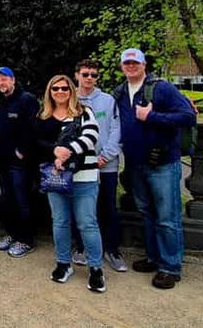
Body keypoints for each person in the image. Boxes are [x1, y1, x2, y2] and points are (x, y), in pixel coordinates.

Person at [114, 48, 196, 289]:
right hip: (135, 163)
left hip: (162, 163)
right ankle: (153, 257)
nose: (131, 66)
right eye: (127, 63)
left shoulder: (161, 88)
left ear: (143, 64)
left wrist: (152, 117)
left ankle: (170, 267)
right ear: (122, 66)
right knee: (147, 213)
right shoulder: (119, 92)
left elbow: (187, 116)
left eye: (135, 62)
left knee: (167, 217)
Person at [35, 75, 106, 293]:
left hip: (83, 177)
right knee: (60, 222)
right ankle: (63, 263)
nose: (60, 92)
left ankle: (96, 268)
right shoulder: (43, 115)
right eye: (55, 88)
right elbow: (36, 141)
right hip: (56, 177)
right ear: (50, 91)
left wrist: (67, 151)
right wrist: (54, 152)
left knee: (87, 223)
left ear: (71, 90)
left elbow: (92, 135)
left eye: (64, 88)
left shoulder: (84, 112)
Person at [71, 59, 125, 272]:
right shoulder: (70, 98)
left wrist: (106, 155)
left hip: (106, 165)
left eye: (94, 75)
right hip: (80, 166)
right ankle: (81, 247)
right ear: (77, 75)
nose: (89, 78)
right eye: (85, 74)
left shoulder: (108, 100)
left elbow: (116, 129)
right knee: (82, 208)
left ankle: (112, 249)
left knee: (108, 207)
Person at [0, 67, 39, 258]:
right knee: (7, 200)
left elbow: (33, 128)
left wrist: (22, 151)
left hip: (19, 163)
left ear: (13, 80)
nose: (1, 83)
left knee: (22, 201)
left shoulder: (26, 99)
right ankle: (13, 234)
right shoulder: (3, 102)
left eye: (4, 79)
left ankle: (26, 239)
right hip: (2, 160)